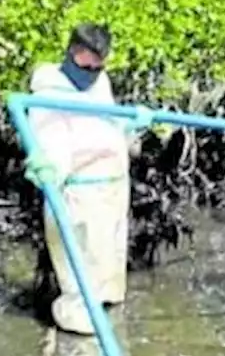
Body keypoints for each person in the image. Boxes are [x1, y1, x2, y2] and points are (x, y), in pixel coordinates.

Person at [27, 23, 143, 336]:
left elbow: (105, 124)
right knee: (80, 270)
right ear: (72, 52)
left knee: (108, 266)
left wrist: (133, 123)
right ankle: (81, 337)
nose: (91, 70)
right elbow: (52, 143)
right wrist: (47, 169)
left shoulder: (99, 81)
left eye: (98, 64)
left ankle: (107, 316)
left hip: (112, 187)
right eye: (86, 62)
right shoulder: (49, 93)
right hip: (79, 194)